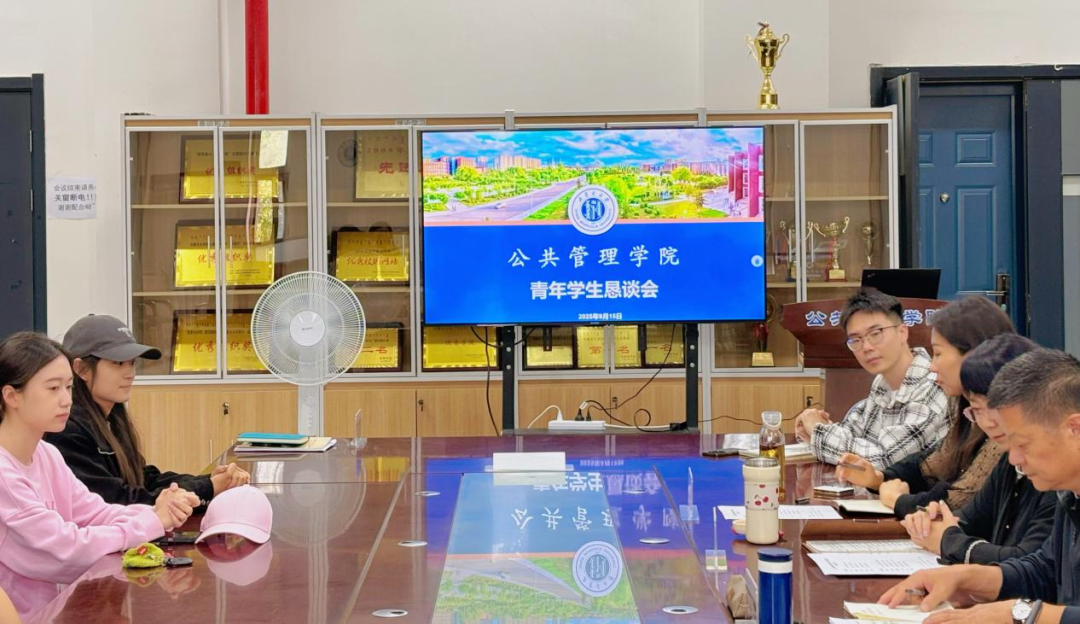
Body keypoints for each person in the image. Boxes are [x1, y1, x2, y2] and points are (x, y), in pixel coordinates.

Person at [880, 349, 1080, 624]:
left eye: (1023, 444)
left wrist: (1018, 614)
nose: (1014, 459)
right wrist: (966, 578)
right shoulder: (1069, 493)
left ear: (1074, 429)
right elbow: (1045, 571)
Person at [0, 332, 199, 587]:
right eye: (53, 388)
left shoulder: (46, 454)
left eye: (69, 387)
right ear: (11, 396)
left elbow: (95, 512)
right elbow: (66, 550)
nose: (66, 400)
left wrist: (160, 511)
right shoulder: (4, 475)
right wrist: (153, 521)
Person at [44, 315, 249, 507]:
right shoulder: (67, 430)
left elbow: (143, 479)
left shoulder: (112, 420)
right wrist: (207, 488)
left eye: (132, 363)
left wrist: (209, 480)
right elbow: (116, 501)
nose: (130, 373)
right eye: (118, 363)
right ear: (81, 369)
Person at [836, 296, 1015, 515]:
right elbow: (932, 463)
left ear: (975, 353)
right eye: (856, 339)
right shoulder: (965, 407)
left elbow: (961, 501)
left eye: (938, 354)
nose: (932, 367)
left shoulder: (1003, 421)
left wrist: (900, 501)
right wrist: (878, 478)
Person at [899, 334, 1055, 564]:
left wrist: (947, 540)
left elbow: (1027, 562)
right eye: (977, 410)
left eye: (995, 407)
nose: (989, 422)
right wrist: (935, 522)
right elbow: (970, 519)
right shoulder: (1009, 461)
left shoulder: (1058, 474)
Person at [794, 288, 949, 468]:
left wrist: (818, 430)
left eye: (875, 334)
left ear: (902, 332)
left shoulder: (932, 386)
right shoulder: (882, 382)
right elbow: (853, 432)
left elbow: (884, 459)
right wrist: (816, 429)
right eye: (856, 340)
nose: (866, 347)